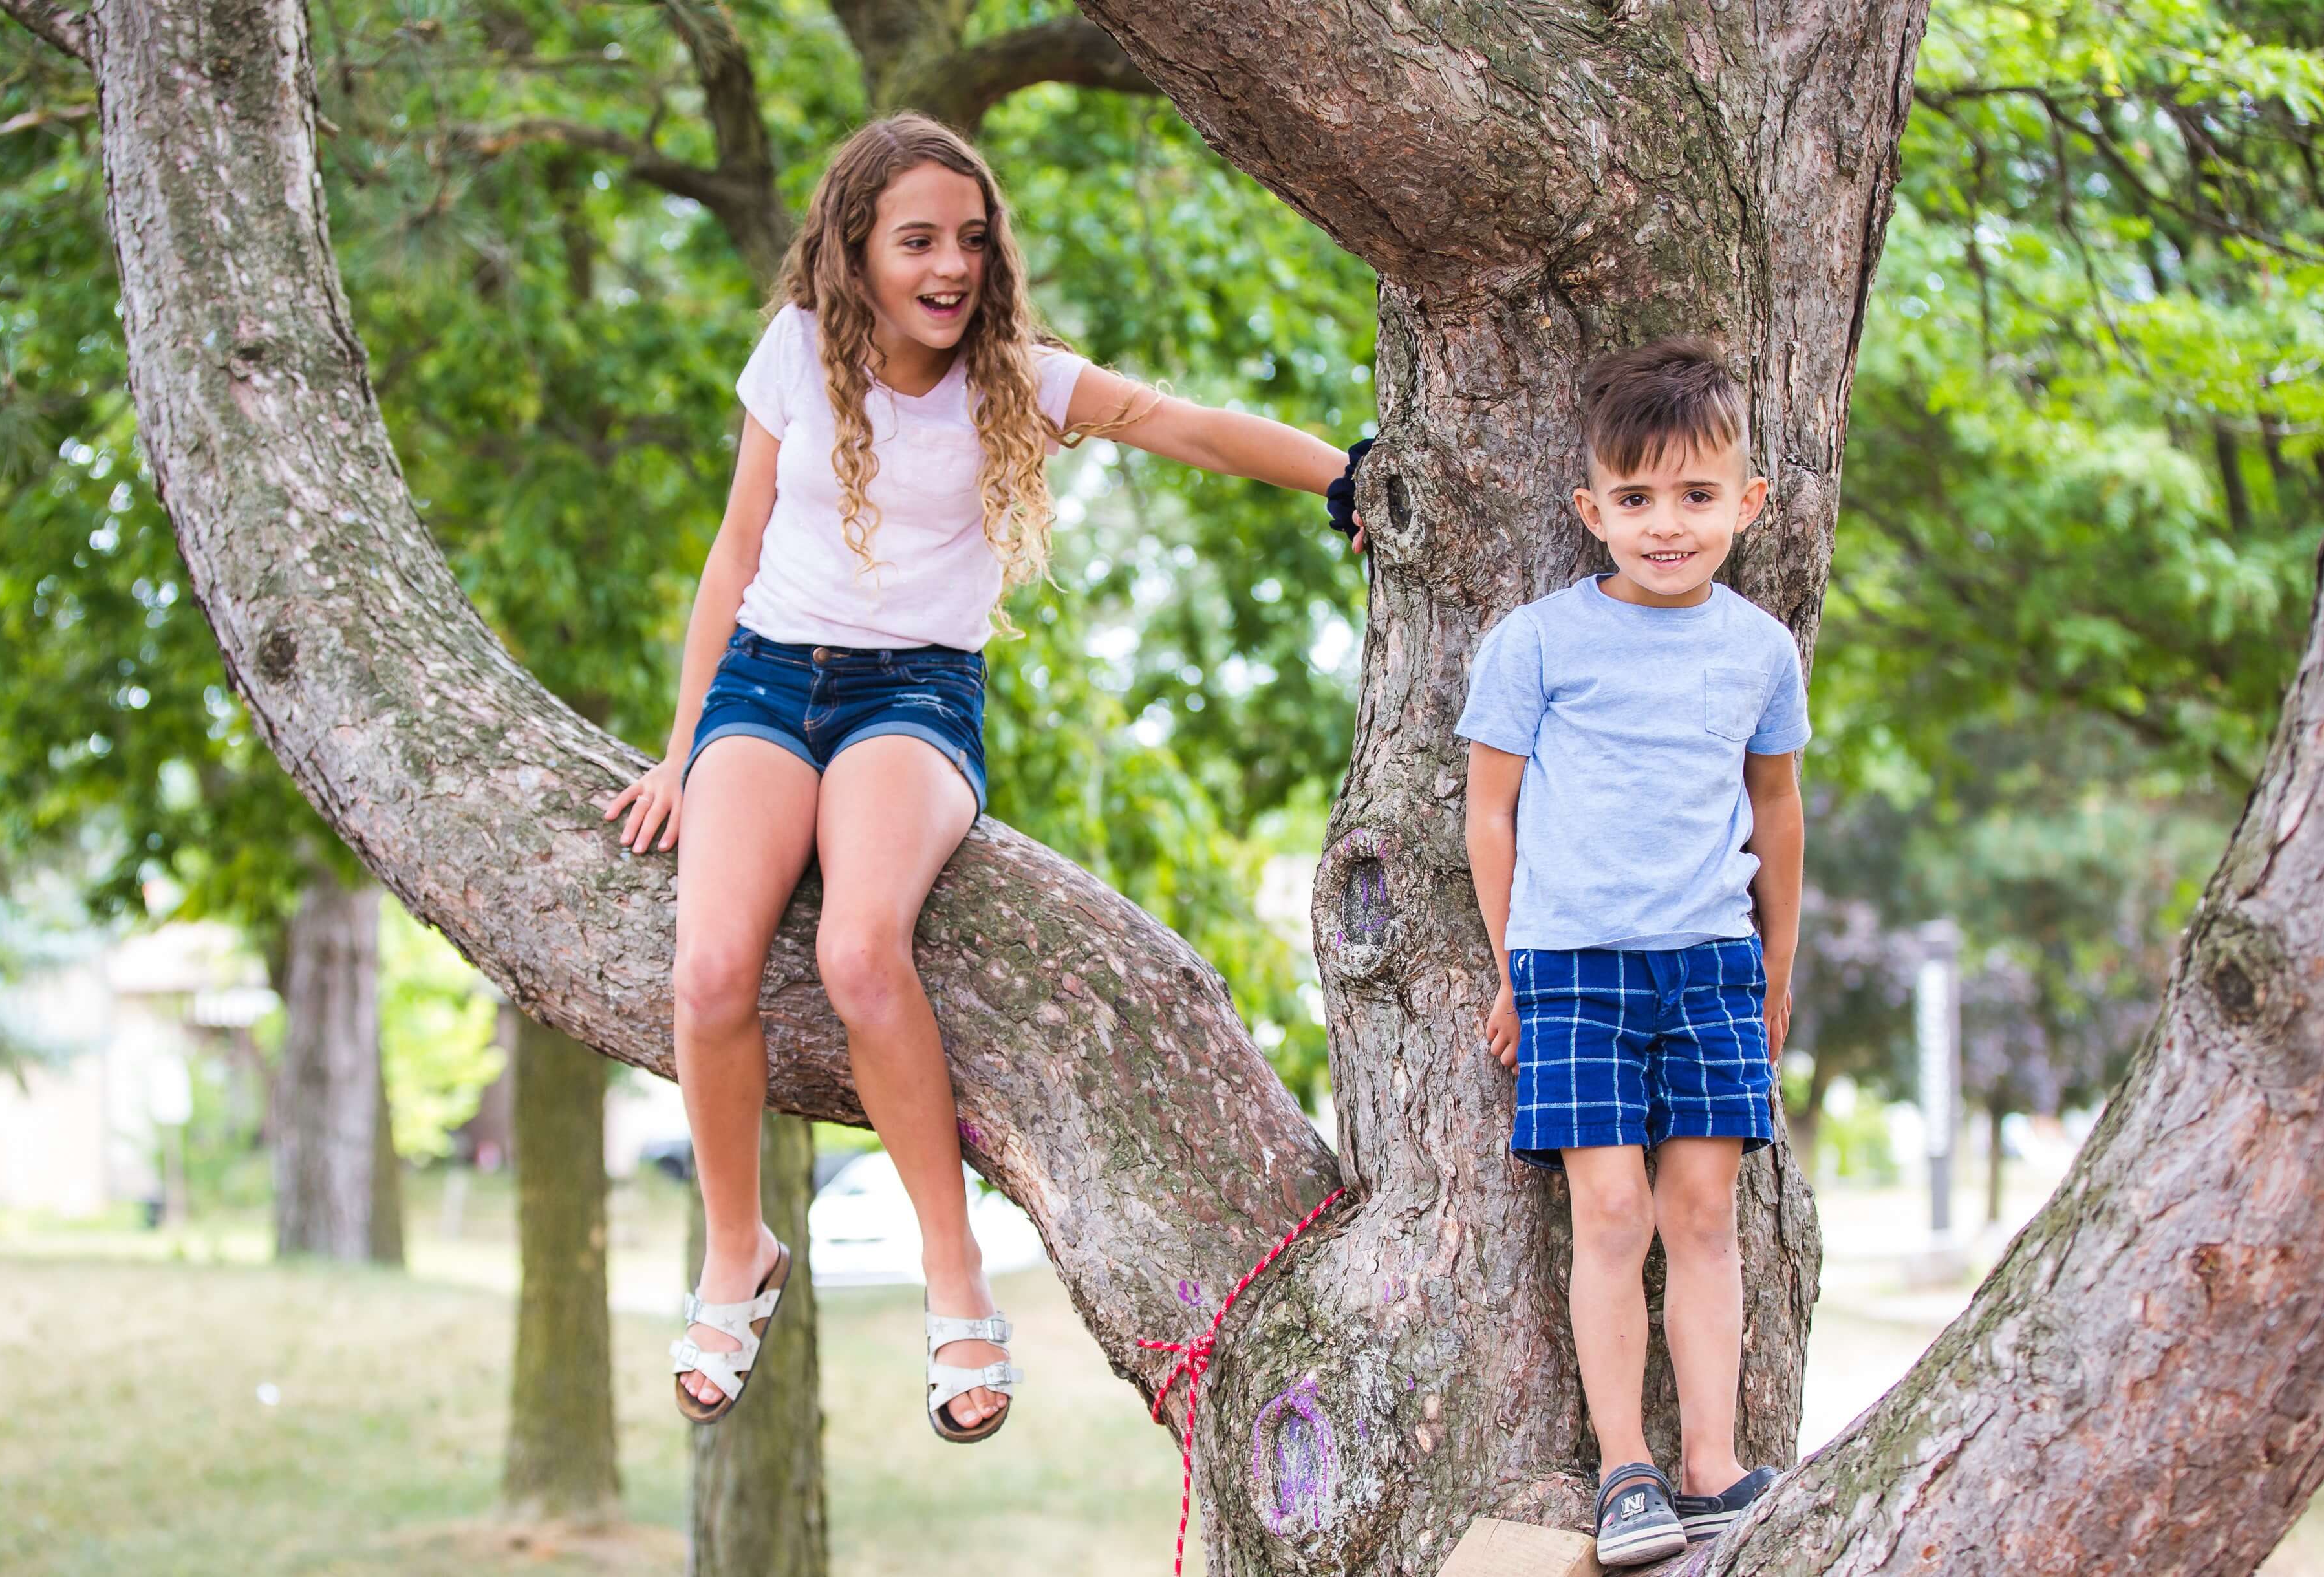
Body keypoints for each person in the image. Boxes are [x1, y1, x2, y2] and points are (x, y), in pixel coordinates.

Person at [601, 113, 1366, 1444]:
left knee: (858, 950)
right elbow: (734, 552)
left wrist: (1347, 476)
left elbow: (1187, 428)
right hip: (765, 684)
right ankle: (737, 1248)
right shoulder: (795, 354)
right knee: (711, 970)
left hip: (913, 699)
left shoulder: (1018, 376)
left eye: (970, 238)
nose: (950, 265)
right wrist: (680, 747)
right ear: (855, 250)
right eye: (917, 241)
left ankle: (951, 1272)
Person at [1456, 338, 1807, 1561]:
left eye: (1697, 496)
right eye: (1638, 497)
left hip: (1713, 964)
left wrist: (1777, 969)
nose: (1668, 525)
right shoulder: (1537, 643)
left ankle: (1714, 1466)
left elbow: (1777, 812)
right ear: (1591, 508)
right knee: (1611, 1212)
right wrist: (1513, 969)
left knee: (1703, 1211)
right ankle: (1627, 1474)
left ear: (1747, 504)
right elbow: (1489, 816)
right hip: (1575, 970)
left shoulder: (1760, 650)